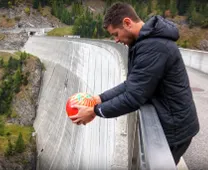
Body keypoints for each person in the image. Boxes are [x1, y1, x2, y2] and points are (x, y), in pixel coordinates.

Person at [69, 2, 199, 165]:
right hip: (171, 121)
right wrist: (99, 98)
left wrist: (95, 111)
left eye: (116, 34)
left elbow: (133, 97)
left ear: (127, 23)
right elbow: (131, 84)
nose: (116, 40)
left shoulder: (153, 46)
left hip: (175, 128)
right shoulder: (142, 42)